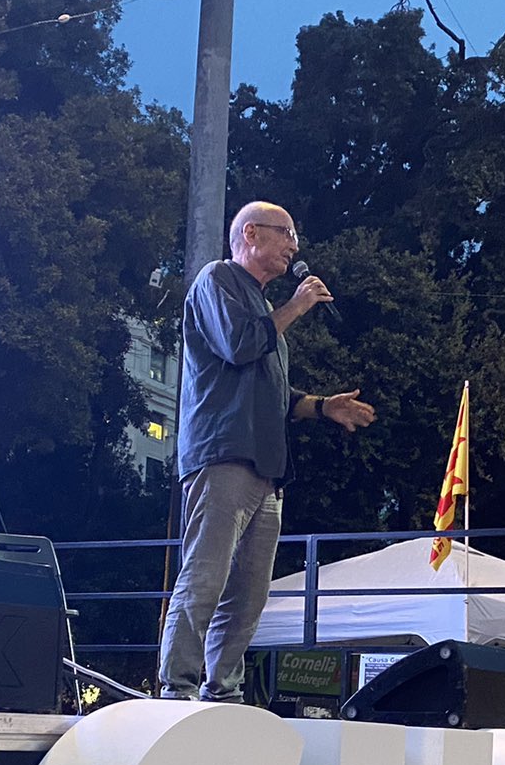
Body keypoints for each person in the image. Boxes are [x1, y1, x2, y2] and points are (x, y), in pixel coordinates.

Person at [158, 202, 375, 701]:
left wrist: (322, 407)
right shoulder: (218, 281)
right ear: (251, 233)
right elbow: (239, 345)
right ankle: (177, 685)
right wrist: (296, 306)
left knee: (251, 592)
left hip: (267, 467)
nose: (294, 247)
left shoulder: (263, 309)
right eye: (287, 234)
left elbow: (276, 396)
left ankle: (224, 688)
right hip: (224, 454)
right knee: (206, 575)